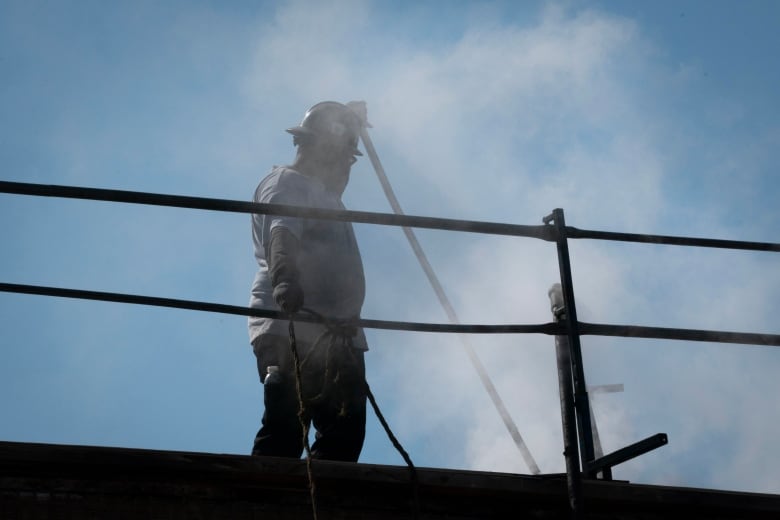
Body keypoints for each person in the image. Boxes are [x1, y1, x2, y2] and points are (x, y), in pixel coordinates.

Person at [248, 101, 369, 462]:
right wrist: (286, 282)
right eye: (345, 158)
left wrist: (349, 124)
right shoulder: (288, 184)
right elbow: (281, 235)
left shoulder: (326, 197)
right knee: (286, 429)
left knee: (343, 436)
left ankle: (319, 505)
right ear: (323, 151)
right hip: (297, 324)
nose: (348, 167)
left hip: (337, 331)